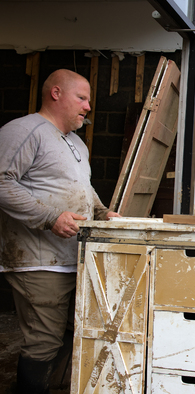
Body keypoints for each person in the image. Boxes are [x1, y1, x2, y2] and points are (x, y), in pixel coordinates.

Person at [0, 69, 120, 393]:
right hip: (37, 259)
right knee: (43, 341)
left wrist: (102, 211)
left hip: (71, 257)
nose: (88, 107)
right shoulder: (25, 131)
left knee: (73, 330)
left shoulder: (76, 143)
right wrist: (50, 216)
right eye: (81, 98)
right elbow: (2, 181)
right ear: (55, 93)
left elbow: (84, 188)